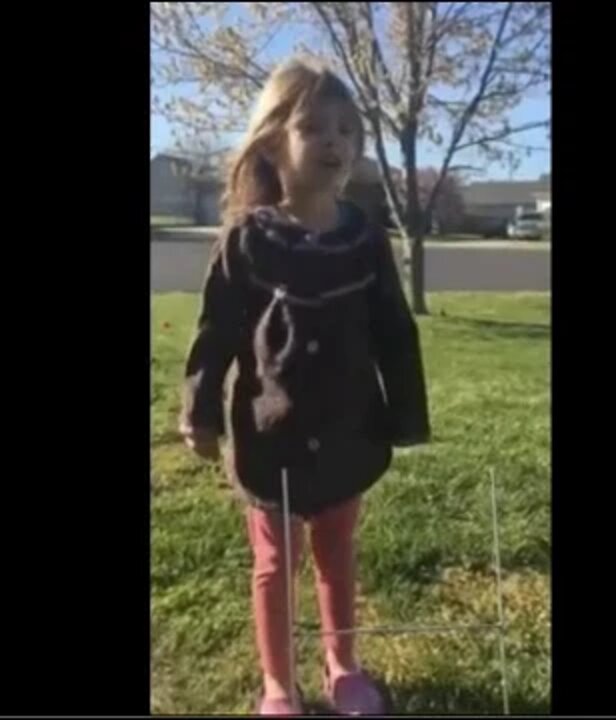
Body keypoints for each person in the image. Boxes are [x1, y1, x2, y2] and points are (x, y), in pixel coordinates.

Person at [178, 56, 430, 716]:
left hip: (352, 431)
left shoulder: (365, 239)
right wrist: (200, 413)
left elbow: (395, 332)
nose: (334, 143)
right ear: (271, 141)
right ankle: (278, 685)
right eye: (314, 127)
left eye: (348, 131)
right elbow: (215, 335)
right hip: (272, 441)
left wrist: (405, 417)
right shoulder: (246, 240)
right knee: (275, 564)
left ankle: (343, 665)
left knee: (338, 553)